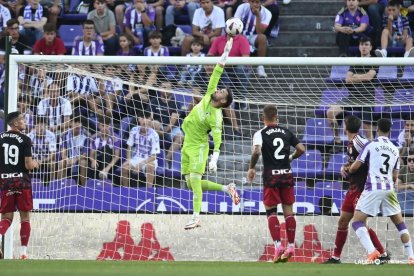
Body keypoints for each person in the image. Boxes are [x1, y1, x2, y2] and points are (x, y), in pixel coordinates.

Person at [181, 37, 240, 230]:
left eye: (222, 91)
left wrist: (214, 159)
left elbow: (218, 138)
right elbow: (215, 73)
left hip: (199, 146)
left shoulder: (216, 117)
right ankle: (227, 188)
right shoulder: (208, 95)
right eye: (220, 89)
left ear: (224, 101)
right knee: (190, 183)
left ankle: (196, 216)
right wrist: (224, 54)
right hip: (187, 143)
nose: (219, 89)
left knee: (195, 181)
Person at [323, 115, 388, 264]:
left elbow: (371, 155)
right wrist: (345, 167)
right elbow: (356, 161)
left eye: (343, 124)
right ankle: (336, 257)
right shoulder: (351, 142)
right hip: (352, 189)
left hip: (362, 190)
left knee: (361, 224)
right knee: (342, 222)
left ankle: (381, 252)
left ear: (346, 127)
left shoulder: (361, 141)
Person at [349, 118, 414, 264]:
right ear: (389, 131)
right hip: (389, 189)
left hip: (373, 188)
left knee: (357, 222)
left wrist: (348, 170)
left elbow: (355, 167)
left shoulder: (371, 145)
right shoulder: (394, 149)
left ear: (377, 129)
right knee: (400, 223)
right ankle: (411, 257)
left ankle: (372, 251)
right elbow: (395, 176)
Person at [246, 104, 305, 263]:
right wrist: (291, 158)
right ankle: (291, 246)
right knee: (289, 212)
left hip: (271, 176)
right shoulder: (286, 131)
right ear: (276, 117)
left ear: (262, 118)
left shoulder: (260, 133)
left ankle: (278, 246)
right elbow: (301, 149)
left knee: (271, 211)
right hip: (286, 174)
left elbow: (257, 151)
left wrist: (251, 168)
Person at [0, 111, 39, 259]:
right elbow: (28, 165)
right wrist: (36, 163)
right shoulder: (25, 139)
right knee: (25, 217)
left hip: (5, 180)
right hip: (22, 181)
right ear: (15, 123)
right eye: (22, 120)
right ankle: (23, 253)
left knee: (6, 217)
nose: (24, 122)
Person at [326, 36, 377, 144]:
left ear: (370, 47)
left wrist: (356, 77)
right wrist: (361, 77)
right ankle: (337, 139)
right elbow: (348, 79)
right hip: (352, 97)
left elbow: (369, 77)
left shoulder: (374, 60)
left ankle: (371, 148)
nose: (364, 47)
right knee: (330, 112)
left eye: (366, 44)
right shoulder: (355, 61)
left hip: (367, 99)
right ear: (359, 46)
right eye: (362, 45)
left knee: (367, 128)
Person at [121, 110, 160, 187]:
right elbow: (129, 147)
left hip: (149, 160)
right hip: (136, 158)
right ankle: (125, 192)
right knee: (124, 168)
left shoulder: (154, 135)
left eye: (147, 118)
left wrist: (141, 164)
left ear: (150, 120)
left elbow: (154, 156)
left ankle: (149, 192)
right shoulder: (134, 130)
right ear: (139, 119)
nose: (144, 120)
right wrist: (128, 160)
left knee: (150, 167)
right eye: (142, 118)